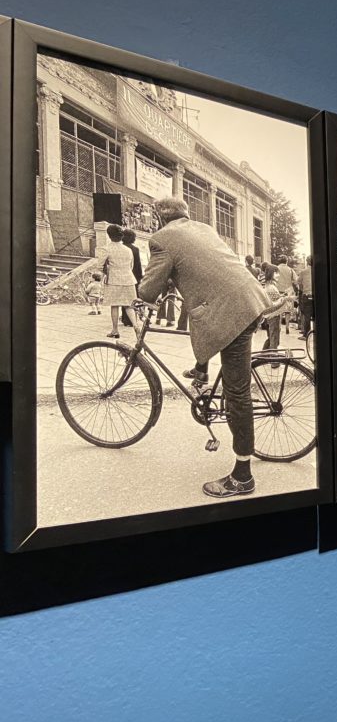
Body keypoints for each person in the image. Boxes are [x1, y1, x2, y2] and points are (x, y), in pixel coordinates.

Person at [138, 197, 273, 498]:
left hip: (231, 310)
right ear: (184, 215)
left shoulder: (162, 239)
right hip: (249, 298)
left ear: (160, 219)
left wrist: (141, 295)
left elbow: (148, 289)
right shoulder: (203, 228)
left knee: (237, 394)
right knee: (205, 326)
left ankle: (243, 477)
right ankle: (201, 371)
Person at [96, 224, 138, 340]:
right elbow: (131, 266)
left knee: (115, 305)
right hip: (129, 279)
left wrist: (106, 271)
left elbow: (99, 266)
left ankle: (115, 330)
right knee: (129, 305)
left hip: (114, 280)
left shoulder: (106, 249)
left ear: (109, 235)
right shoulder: (128, 250)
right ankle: (136, 326)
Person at [261, 266, 294, 351]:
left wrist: (282, 296)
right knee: (274, 340)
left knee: (271, 338)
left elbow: (275, 300)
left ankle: (263, 354)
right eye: (276, 273)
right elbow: (274, 304)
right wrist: (287, 298)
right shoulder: (271, 287)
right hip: (273, 316)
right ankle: (273, 358)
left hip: (271, 316)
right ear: (271, 274)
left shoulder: (269, 285)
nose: (278, 275)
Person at [297, 256, 314, 337]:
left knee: (306, 314)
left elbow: (299, 284)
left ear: (307, 262)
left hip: (307, 295)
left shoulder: (303, 272)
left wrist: (303, 290)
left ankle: (306, 334)